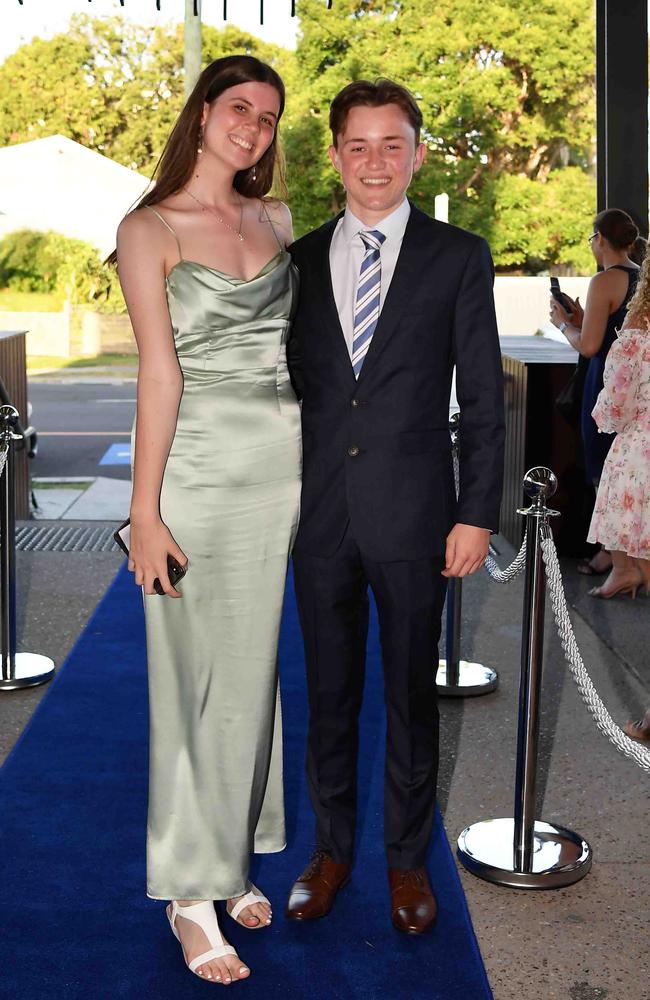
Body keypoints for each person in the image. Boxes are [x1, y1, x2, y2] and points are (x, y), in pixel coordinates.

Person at [286, 79, 504, 935]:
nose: (374, 161)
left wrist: (477, 512)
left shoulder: (459, 256)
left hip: (419, 519)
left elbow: (484, 400)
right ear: (335, 154)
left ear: (416, 153)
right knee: (328, 697)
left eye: (392, 144)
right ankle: (331, 853)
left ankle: (407, 864)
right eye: (359, 145)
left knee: (412, 698)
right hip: (321, 521)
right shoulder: (298, 261)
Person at [116, 55, 301, 984]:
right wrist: (143, 513)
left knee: (255, 666)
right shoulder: (147, 228)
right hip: (194, 473)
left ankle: (232, 853)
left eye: (269, 118)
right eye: (240, 108)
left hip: (281, 471)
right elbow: (160, 373)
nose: (254, 128)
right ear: (202, 113)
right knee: (188, 674)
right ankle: (190, 893)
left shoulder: (275, 218)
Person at [550, 208, 641, 576]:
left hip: (608, 381)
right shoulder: (641, 277)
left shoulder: (604, 281)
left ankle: (618, 560)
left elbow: (589, 347)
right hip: (638, 383)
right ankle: (619, 554)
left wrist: (562, 325)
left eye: (591, 239)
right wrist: (583, 319)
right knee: (628, 468)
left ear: (600, 239)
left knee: (602, 466)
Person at [585, 251, 650, 600]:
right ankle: (626, 573)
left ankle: (627, 572)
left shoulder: (636, 335)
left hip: (640, 454)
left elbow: (615, 406)